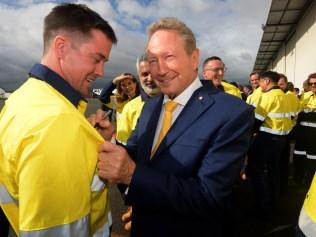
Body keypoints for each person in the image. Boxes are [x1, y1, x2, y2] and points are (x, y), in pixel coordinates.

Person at [97, 17, 254, 237]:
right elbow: (134, 157)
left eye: (168, 57)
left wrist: (133, 176)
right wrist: (110, 141)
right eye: (152, 60)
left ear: (194, 58)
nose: (159, 70)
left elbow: (208, 197)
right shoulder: (150, 107)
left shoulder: (232, 112)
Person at [0, 3, 116, 236]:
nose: (101, 72)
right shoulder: (56, 121)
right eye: (96, 59)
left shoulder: (25, 97)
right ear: (61, 47)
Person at [247, 71, 292, 219]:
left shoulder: (267, 97)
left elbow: (256, 121)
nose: (259, 85)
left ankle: (262, 207)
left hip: (266, 140)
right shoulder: (285, 96)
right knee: (274, 172)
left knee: (257, 171)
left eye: (260, 81)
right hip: (281, 140)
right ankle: (274, 204)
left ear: (266, 81)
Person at [116, 54, 160, 144]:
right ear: (139, 77)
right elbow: (122, 145)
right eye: (145, 74)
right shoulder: (129, 107)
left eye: (154, 73)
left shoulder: (177, 101)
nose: (150, 78)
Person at [293, 73, 316, 186]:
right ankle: (298, 178)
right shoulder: (305, 95)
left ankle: (310, 181)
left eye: (315, 83)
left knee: (312, 158)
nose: (313, 85)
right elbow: (299, 113)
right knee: (299, 155)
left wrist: (309, 114)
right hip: (302, 131)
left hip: (314, 134)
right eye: (310, 83)